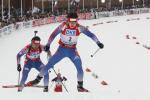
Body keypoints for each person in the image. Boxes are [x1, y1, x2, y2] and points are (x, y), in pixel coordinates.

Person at [27, 12, 104, 92]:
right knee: (49, 64)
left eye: (75, 22)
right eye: (71, 22)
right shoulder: (63, 26)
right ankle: (37, 80)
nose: (73, 24)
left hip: (72, 51)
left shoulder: (79, 28)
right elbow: (53, 35)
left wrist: (98, 42)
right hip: (62, 50)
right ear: (67, 21)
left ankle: (80, 87)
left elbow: (91, 34)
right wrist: (48, 44)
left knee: (80, 68)